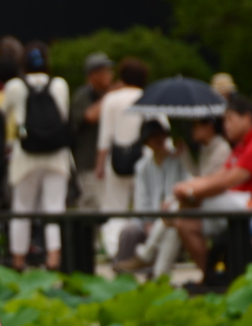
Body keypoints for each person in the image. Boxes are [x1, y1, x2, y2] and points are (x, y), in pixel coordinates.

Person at [171, 93, 252, 277]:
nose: (226, 125)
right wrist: (186, 187)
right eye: (225, 120)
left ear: (247, 118)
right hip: (240, 204)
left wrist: (191, 191)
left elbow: (227, 181)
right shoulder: (241, 146)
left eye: (230, 119)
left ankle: (158, 262)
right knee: (185, 224)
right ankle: (210, 277)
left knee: (187, 205)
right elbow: (217, 176)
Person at [3, 41, 71, 271]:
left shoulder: (14, 86)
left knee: (21, 209)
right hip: (57, 154)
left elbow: (6, 115)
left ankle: (18, 260)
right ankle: (53, 258)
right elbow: (64, 116)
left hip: (25, 155)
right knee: (54, 208)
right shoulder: (60, 84)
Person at [112, 118, 187, 277]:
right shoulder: (142, 166)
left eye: (161, 137)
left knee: (166, 226)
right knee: (129, 231)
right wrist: (147, 221)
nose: (158, 141)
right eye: (153, 138)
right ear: (147, 142)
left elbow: (183, 188)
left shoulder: (178, 160)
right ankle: (122, 275)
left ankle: (147, 261)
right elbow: (142, 198)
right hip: (149, 218)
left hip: (171, 215)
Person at [95, 58, 149, 259]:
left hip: (116, 160)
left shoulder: (112, 99)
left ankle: (114, 250)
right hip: (145, 160)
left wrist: (99, 165)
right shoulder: (148, 96)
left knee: (113, 208)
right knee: (143, 206)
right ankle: (139, 250)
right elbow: (161, 132)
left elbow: (104, 138)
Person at [70, 52, 114, 210]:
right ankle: (86, 236)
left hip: (106, 162)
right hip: (88, 162)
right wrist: (110, 96)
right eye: (105, 71)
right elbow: (90, 116)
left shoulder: (105, 95)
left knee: (106, 206)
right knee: (90, 206)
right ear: (93, 74)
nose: (110, 75)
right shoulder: (83, 94)